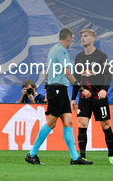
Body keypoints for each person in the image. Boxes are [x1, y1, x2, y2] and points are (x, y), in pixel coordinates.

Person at [25, 28, 93, 165]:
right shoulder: (61, 51)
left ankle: (75, 158)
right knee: (51, 122)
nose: (71, 42)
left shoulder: (53, 50)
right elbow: (67, 73)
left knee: (68, 122)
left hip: (58, 89)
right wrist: (82, 89)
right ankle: (31, 154)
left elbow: (47, 70)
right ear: (67, 38)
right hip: (57, 89)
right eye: (71, 40)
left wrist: (46, 88)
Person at [70, 29, 113, 164]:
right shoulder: (79, 57)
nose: (82, 38)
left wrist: (104, 90)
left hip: (99, 97)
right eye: (81, 36)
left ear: (92, 39)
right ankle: (82, 156)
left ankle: (111, 155)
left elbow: (109, 75)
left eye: (85, 36)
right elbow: (76, 79)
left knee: (106, 126)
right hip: (84, 98)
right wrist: (73, 98)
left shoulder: (101, 56)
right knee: (81, 124)